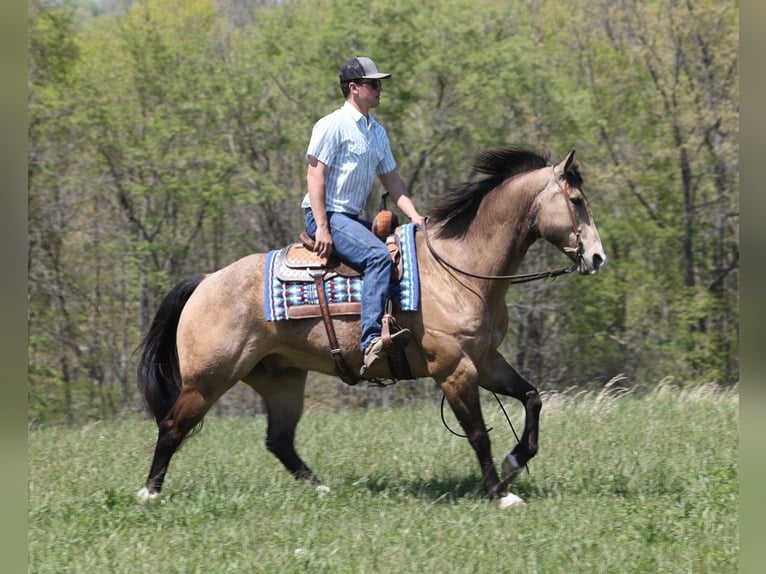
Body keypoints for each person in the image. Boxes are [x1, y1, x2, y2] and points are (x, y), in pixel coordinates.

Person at [301, 56, 425, 377]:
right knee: (378, 257)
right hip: (325, 214)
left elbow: (392, 180)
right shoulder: (331, 125)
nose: (380, 89)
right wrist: (323, 228)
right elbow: (315, 176)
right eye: (373, 84)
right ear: (354, 89)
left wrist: (416, 217)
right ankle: (371, 340)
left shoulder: (377, 133)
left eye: (379, 84)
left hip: (350, 218)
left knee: (403, 251)